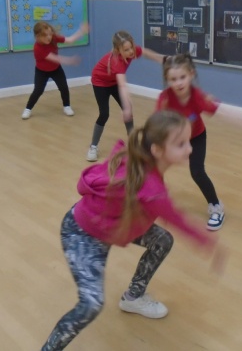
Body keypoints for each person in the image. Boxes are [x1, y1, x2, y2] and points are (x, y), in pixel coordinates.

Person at [41, 110, 225, 351]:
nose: (190, 149)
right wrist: (209, 243)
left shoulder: (142, 162)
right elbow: (177, 218)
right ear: (157, 150)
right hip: (82, 233)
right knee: (91, 304)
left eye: (187, 142)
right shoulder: (151, 189)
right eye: (181, 144)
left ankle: (133, 298)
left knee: (162, 240)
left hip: (114, 224)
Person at [157, 53, 242, 231]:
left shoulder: (198, 97)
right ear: (167, 80)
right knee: (157, 168)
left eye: (182, 77)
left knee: (197, 172)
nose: (179, 83)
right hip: (174, 139)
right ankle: (158, 201)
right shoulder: (165, 99)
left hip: (196, 136)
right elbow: (156, 124)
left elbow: (225, 113)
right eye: (173, 79)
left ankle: (216, 207)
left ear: (191, 74)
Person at [86, 30, 164, 161]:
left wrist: (162, 59)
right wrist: (126, 108)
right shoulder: (117, 61)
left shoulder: (131, 51)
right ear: (118, 50)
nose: (131, 51)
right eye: (126, 50)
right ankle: (93, 147)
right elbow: (122, 85)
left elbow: (145, 52)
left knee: (128, 110)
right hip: (100, 82)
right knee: (104, 114)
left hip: (114, 81)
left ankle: (133, 144)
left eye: (131, 47)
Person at [21, 21, 89, 120]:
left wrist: (81, 31)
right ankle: (28, 109)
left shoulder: (53, 38)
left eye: (50, 34)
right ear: (37, 37)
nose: (49, 37)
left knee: (63, 87)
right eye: (45, 35)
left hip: (56, 69)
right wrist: (70, 61)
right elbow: (56, 58)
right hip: (42, 71)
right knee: (38, 90)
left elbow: (70, 40)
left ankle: (67, 106)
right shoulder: (38, 48)